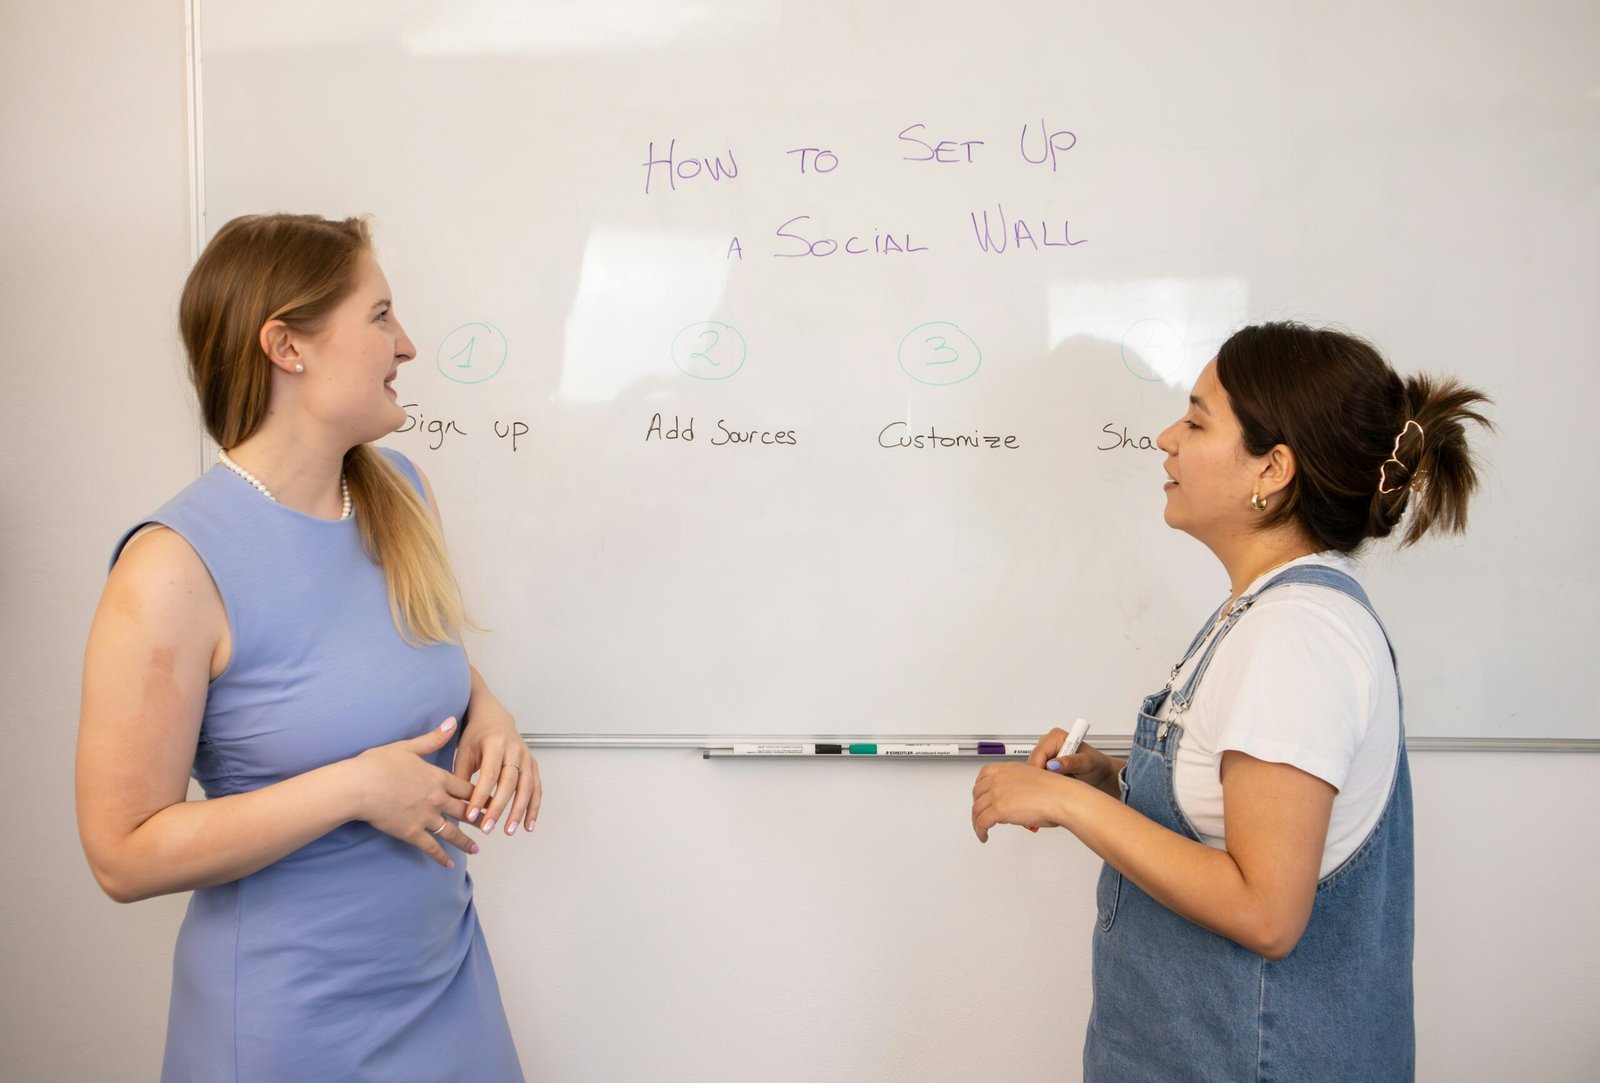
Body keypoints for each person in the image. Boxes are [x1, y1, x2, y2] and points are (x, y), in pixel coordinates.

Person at [75, 213, 537, 1081]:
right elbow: (121, 853)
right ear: (288, 346)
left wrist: (489, 709)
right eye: (380, 316)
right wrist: (354, 787)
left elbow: (382, 656)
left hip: (448, 989)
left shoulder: (399, 490)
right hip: (294, 1027)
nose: (407, 345)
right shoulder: (171, 567)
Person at [971, 322, 1492, 1081]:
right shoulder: (1264, 614)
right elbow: (1240, 822)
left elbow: (1266, 911)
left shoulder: (1294, 638)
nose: (1164, 438)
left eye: (1195, 419)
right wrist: (1112, 785)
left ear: (1272, 469)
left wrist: (1074, 808)